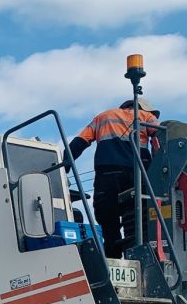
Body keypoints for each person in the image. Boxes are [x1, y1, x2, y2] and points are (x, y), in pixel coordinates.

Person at [68, 97, 160, 258]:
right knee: (139, 220)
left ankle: (113, 260)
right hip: (138, 176)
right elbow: (160, 141)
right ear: (142, 107)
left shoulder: (103, 117)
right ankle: (140, 256)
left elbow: (78, 143)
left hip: (108, 175)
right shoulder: (146, 117)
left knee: (108, 221)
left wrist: (64, 167)